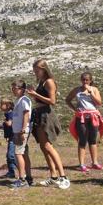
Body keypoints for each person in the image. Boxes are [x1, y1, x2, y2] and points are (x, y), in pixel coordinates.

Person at [26, 59, 70, 189]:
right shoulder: (41, 82)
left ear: (44, 69)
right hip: (39, 113)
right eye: (34, 70)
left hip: (46, 114)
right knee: (43, 147)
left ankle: (63, 176)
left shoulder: (49, 82)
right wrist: (34, 94)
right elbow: (40, 98)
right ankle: (53, 176)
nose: (35, 73)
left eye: (37, 70)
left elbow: (52, 101)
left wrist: (35, 94)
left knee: (48, 146)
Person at [65, 72, 103, 172]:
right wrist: (75, 109)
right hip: (81, 117)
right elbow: (67, 100)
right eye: (83, 79)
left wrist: (91, 93)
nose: (85, 82)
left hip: (93, 116)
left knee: (92, 140)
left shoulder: (94, 89)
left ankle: (94, 162)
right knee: (82, 140)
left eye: (87, 80)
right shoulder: (77, 90)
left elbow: (99, 102)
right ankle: (82, 164)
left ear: (90, 81)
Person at [9, 80, 33, 188]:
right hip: (17, 130)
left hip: (21, 131)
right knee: (23, 154)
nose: (13, 90)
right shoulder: (18, 100)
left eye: (15, 88)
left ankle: (22, 179)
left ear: (22, 89)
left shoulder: (24, 100)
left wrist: (23, 130)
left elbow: (26, 115)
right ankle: (28, 177)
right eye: (12, 88)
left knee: (18, 153)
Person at [0, 98, 16, 178]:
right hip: (10, 137)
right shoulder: (7, 114)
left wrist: (5, 121)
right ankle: (11, 172)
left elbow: (9, 124)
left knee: (11, 155)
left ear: (8, 105)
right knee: (9, 155)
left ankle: (19, 169)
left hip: (14, 137)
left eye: (2, 104)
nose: (0, 106)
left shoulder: (10, 113)